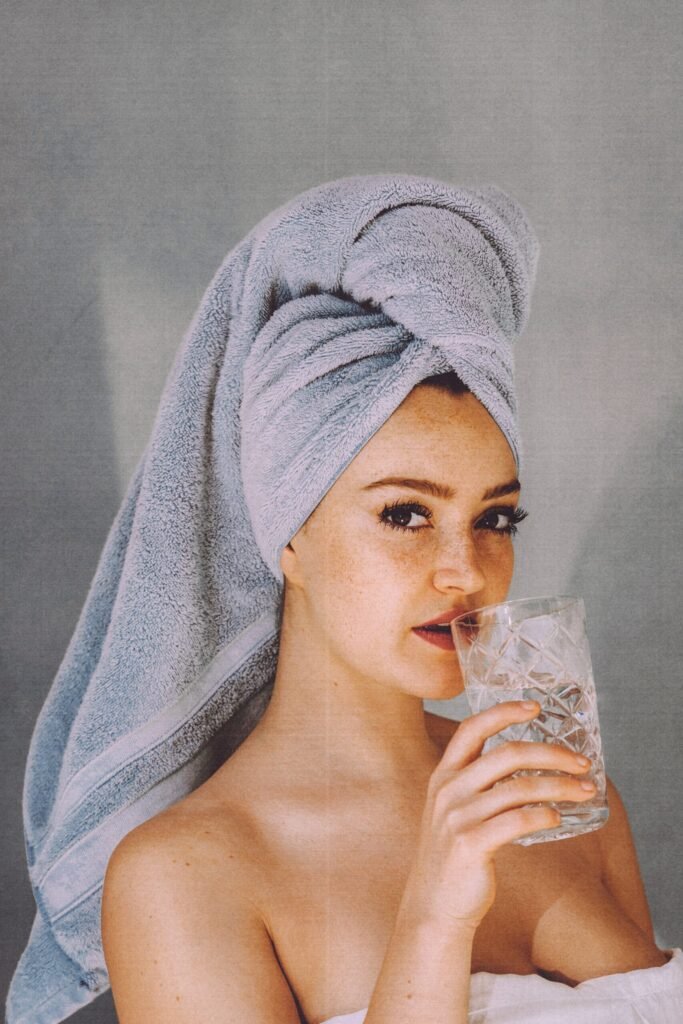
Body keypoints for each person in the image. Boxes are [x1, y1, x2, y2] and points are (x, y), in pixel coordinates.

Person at [9, 175, 683, 1024]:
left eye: (494, 518)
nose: (464, 571)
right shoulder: (183, 873)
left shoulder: (567, 803)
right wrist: (433, 917)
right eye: (405, 514)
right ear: (287, 536)